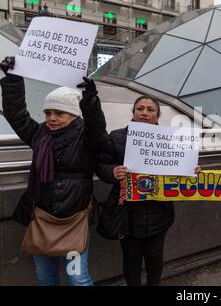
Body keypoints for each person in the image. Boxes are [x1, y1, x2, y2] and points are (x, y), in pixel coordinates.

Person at [0, 56, 109, 286]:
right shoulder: (39, 134)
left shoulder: (86, 137)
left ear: (74, 115)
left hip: (74, 221)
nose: (51, 118)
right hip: (41, 219)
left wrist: (89, 102)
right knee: (45, 278)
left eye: (59, 113)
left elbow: (98, 131)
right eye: (48, 112)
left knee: (77, 278)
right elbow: (16, 115)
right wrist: (13, 80)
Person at [96, 96, 201, 286]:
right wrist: (112, 172)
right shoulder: (117, 136)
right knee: (131, 258)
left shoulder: (172, 140)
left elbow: (180, 174)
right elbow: (101, 166)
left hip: (159, 211)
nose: (144, 113)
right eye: (140, 108)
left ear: (157, 115)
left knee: (155, 257)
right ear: (134, 112)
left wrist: (191, 170)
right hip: (126, 213)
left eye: (150, 110)